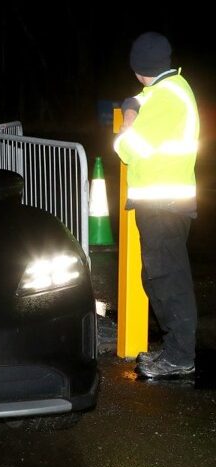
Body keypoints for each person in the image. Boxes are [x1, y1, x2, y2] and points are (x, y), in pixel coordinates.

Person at [114, 32, 200, 378]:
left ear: (138, 68)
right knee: (157, 277)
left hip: (164, 202)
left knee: (168, 280)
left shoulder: (166, 98)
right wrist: (131, 106)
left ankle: (180, 357)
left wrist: (126, 126)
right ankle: (174, 350)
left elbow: (127, 148)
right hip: (162, 201)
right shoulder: (168, 89)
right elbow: (136, 99)